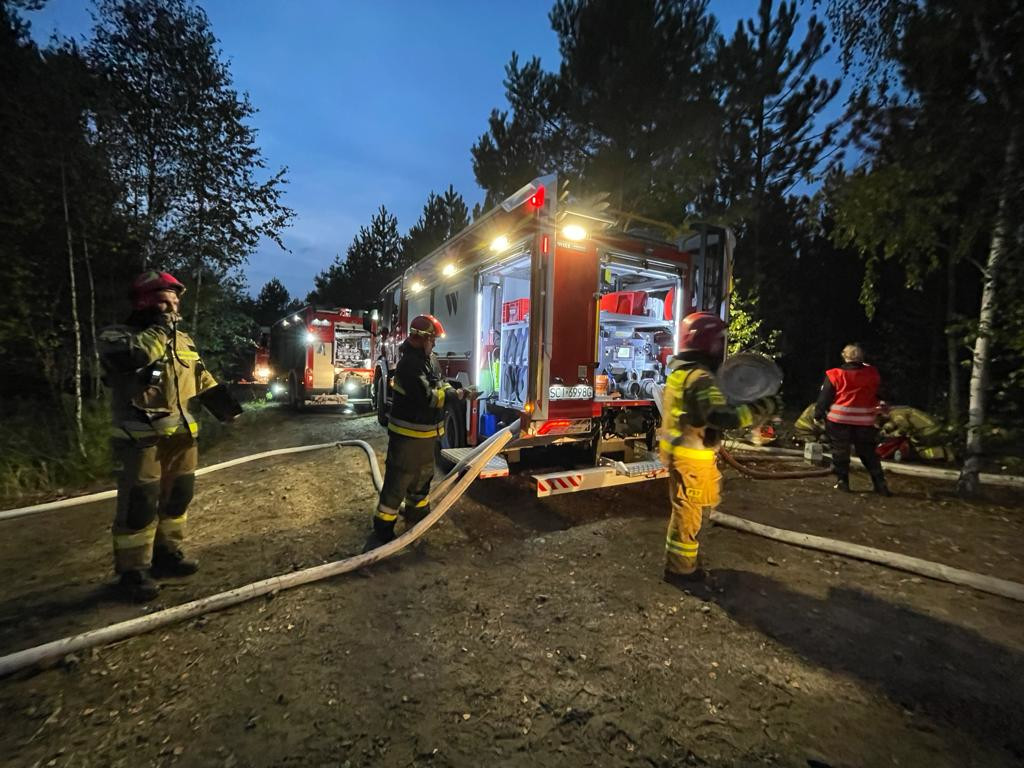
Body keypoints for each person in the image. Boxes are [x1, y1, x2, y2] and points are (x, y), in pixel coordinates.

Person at [98, 271, 219, 601]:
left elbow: (201, 376)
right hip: (140, 439)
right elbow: (137, 357)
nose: (173, 308)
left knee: (178, 497)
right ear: (144, 303)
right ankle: (133, 571)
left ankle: (167, 554)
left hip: (181, 437)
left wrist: (226, 409)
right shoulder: (117, 337)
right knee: (140, 504)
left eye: (175, 302)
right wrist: (161, 329)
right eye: (165, 302)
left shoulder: (183, 340)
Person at [659, 312, 781, 585]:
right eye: (718, 341)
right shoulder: (700, 377)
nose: (720, 347)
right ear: (707, 342)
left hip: (683, 455)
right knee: (689, 515)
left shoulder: (681, 373)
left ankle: (681, 563)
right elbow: (719, 417)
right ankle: (681, 571)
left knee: (688, 511)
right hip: (692, 458)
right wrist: (762, 407)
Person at [367, 314, 472, 548]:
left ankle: (418, 517)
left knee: (423, 479)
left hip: (426, 435)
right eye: (432, 339)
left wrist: (453, 390)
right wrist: (457, 395)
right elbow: (429, 398)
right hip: (407, 438)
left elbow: (441, 383)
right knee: (398, 482)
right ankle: (383, 530)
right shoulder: (408, 366)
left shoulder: (430, 359)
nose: (434, 344)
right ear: (419, 338)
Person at [813, 343, 891, 496]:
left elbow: (825, 397)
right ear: (862, 357)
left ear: (844, 356)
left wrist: (818, 414)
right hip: (865, 421)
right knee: (868, 453)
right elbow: (882, 393)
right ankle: (880, 484)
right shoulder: (872, 373)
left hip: (839, 420)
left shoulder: (835, 374)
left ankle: (843, 482)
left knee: (840, 451)